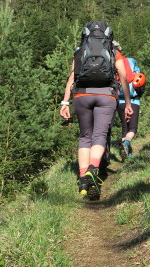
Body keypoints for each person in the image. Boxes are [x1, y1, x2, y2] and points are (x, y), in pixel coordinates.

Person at [59, 22, 133, 199]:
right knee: (100, 135)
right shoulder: (113, 50)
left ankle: (83, 179)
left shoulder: (80, 51)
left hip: (81, 96)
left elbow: (72, 77)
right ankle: (94, 168)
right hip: (106, 96)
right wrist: (127, 103)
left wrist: (64, 103)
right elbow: (124, 78)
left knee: (85, 136)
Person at [113, 42, 144, 160]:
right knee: (132, 128)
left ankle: (126, 154)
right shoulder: (130, 62)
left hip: (119, 101)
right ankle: (126, 144)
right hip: (133, 101)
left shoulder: (112, 65)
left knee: (124, 127)